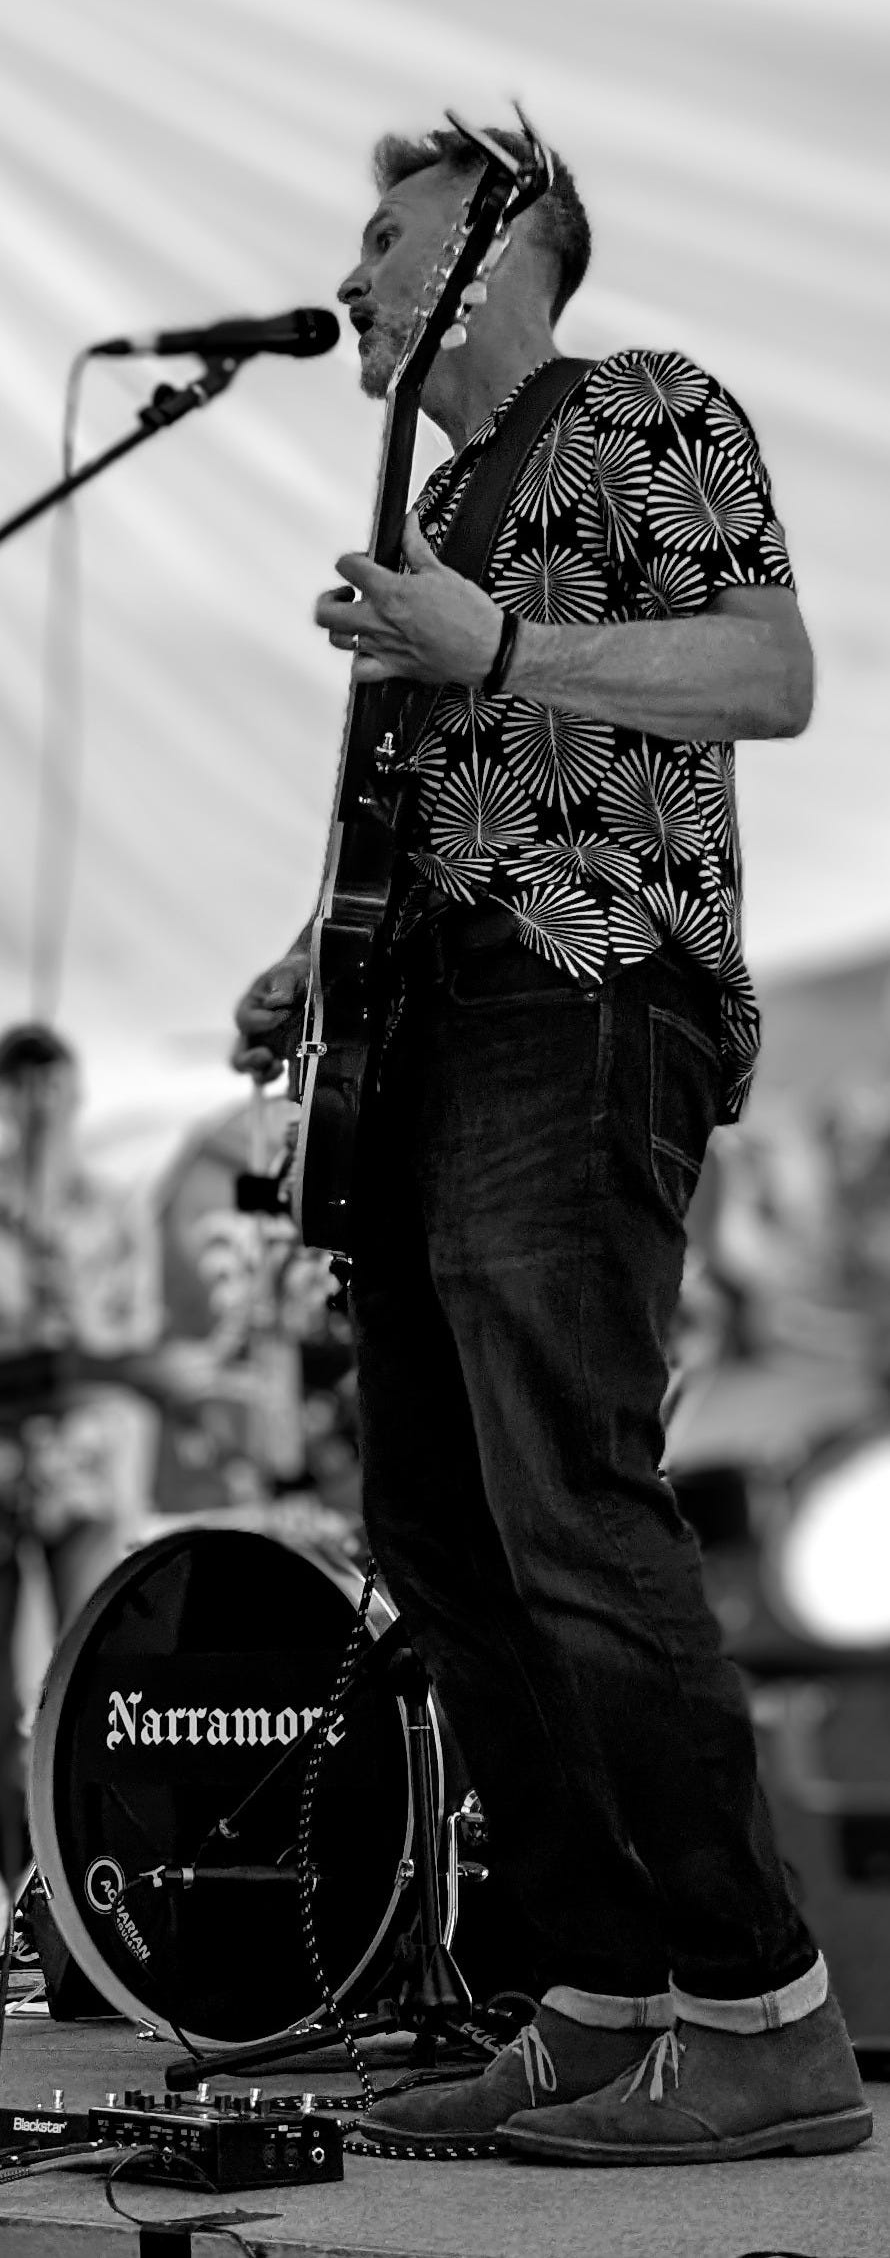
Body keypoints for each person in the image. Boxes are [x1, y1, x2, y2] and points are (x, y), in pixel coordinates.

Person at [232, 124, 871, 2165]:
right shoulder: (438, 502)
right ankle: (602, 1995)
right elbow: (444, 790)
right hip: (430, 1028)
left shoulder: (646, 409)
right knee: (441, 1531)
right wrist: (309, 956)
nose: (353, 274)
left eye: (387, 238)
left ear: (497, 254)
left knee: (571, 1505)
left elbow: (769, 672)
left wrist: (494, 646)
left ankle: (764, 2009)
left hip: (583, 994)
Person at [0, 1022, 161, 1878]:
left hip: (88, 1467)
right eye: (22, 1084)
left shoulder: (112, 1205)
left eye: (50, 1083)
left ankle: (80, 1876)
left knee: (87, 1675)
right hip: (5, 1461)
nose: (38, 1102)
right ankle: (15, 1889)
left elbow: (132, 1341)